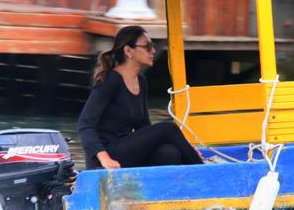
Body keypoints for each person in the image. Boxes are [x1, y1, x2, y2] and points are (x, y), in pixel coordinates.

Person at [77, 25, 204, 170]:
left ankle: (171, 190)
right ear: (128, 51)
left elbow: (143, 127)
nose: (153, 51)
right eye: (147, 46)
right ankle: (206, 174)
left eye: (153, 46)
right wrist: (104, 157)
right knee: (168, 128)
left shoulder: (141, 81)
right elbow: (85, 124)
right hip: (108, 154)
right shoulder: (109, 81)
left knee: (169, 152)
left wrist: (183, 146)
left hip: (126, 151)